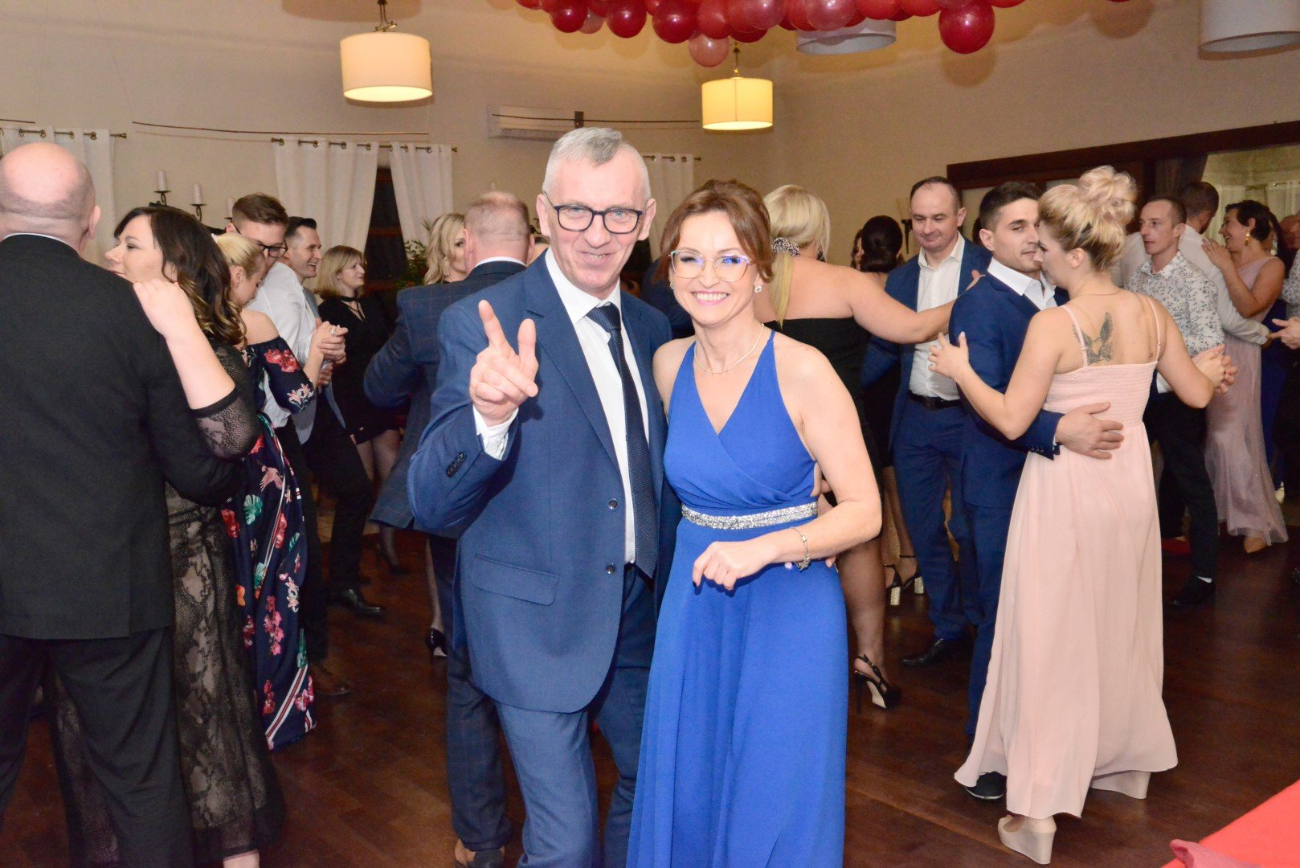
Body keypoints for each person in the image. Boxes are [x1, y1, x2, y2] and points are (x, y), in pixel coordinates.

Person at [937, 167, 1226, 865]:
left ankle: (1037, 813)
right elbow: (1194, 394)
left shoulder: (1053, 324)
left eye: (1043, 244)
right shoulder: (1149, 314)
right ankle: (1125, 766)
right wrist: (1216, 370)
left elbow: (1012, 419)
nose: (1036, 253)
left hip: (1065, 492)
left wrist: (961, 370)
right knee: (1117, 623)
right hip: (1128, 489)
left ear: (1073, 253)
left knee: (1052, 637)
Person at [409, 127, 673, 868]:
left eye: (619, 214)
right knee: (564, 845)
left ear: (647, 220)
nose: (598, 233)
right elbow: (430, 502)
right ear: (544, 213)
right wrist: (488, 418)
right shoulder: (483, 322)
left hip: (636, 608)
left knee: (655, 789)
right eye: (576, 211)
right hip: (533, 622)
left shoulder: (652, 325)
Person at [0, 142, 238, 866]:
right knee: (140, 783)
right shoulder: (131, 310)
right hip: (110, 585)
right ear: (91, 219)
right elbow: (201, 474)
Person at [629, 179, 880, 865]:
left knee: (775, 789)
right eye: (689, 258)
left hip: (788, 605)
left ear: (761, 269)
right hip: (695, 603)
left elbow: (865, 510)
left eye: (729, 258)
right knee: (693, 784)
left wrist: (767, 547)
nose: (706, 276)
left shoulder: (804, 370)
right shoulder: (668, 365)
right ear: (669, 269)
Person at [56, 206, 284, 868]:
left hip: (184, 559)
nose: (111, 255)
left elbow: (228, 443)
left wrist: (179, 326)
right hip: (101, 564)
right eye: (115, 241)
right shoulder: (101, 335)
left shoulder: (208, 345)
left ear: (176, 268)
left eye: (130, 244)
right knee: (105, 731)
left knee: (207, 718)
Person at [365, 190, 532, 868]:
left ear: (468, 243)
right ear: (530, 242)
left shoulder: (426, 306)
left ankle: (482, 838)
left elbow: (377, 389)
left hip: (457, 502)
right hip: (540, 504)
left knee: (468, 669)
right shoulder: (563, 300)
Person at [948, 183, 1124, 802]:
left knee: (1056, 620)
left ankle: (1053, 744)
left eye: (1037, 226)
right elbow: (988, 400)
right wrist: (1059, 430)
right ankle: (988, 756)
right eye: (1017, 227)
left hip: (1059, 486)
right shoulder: (980, 306)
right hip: (1001, 484)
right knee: (1003, 621)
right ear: (988, 239)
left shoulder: (1060, 296)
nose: (1031, 238)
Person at [755, 185, 915, 710]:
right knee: (860, 544)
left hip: (774, 437)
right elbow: (910, 328)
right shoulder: (844, 281)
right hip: (840, 435)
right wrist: (969, 301)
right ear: (816, 229)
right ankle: (870, 659)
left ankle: (793, 664)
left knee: (782, 542)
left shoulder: (749, 286)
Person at [228, 200, 376, 702]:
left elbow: (296, 389)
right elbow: (292, 390)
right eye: (261, 247)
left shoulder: (279, 292)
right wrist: (314, 362)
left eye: (275, 248)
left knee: (296, 548)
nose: (268, 257)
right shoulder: (245, 303)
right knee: (264, 559)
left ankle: (302, 663)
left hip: (278, 433)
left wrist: (319, 362)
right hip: (249, 442)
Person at [215, 231, 341, 749]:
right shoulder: (253, 323)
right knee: (274, 587)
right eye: (257, 278)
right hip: (259, 468)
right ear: (238, 277)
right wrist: (317, 352)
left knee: (228, 585)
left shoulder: (185, 326)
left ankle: (229, 713)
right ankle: (278, 710)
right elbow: (298, 395)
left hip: (209, 473)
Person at [861, 176, 989, 671]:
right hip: (915, 418)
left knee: (970, 527)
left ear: (960, 217)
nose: (928, 228)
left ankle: (983, 624)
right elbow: (882, 351)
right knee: (922, 527)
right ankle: (949, 627)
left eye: (938, 217)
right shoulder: (898, 280)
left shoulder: (987, 268)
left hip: (971, 420)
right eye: (919, 219)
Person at [1126, 196, 1230, 608]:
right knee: (1131, 478)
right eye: (1142, 223)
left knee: (1192, 484)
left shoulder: (1194, 281)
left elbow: (1210, 345)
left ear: (1178, 230)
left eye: (1155, 224)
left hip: (1177, 397)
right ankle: (1130, 565)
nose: (1145, 231)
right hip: (1140, 394)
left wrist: (1164, 359)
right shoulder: (1138, 277)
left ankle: (1205, 576)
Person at [1202, 200, 1288, 553]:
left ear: (1249, 226)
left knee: (1232, 437)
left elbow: (1250, 307)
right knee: (1210, 439)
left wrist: (1225, 266)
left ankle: (1255, 522)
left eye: (1229, 223)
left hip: (1240, 353)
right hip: (1208, 352)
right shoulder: (1220, 259)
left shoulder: (1272, 265)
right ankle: (1218, 514)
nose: (1223, 230)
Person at [856, 216, 921, 602]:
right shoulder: (905, 281)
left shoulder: (855, 283)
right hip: (899, 383)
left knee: (871, 481)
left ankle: (883, 565)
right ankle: (912, 559)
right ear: (899, 247)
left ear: (862, 247)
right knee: (897, 479)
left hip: (866, 385)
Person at [315, 246, 402, 529]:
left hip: (380, 394)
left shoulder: (371, 304)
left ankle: (387, 541)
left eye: (361, 265)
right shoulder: (327, 311)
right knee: (362, 479)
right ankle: (356, 543)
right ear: (337, 272)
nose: (362, 271)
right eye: (354, 266)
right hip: (350, 398)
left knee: (391, 471)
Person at [425, 212, 468, 284]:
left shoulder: (485, 286)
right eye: (459, 244)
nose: (469, 249)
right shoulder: (436, 290)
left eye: (472, 242)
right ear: (441, 251)